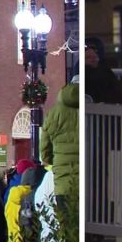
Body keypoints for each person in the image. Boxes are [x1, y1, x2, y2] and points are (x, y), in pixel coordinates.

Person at [40, 74, 79, 205]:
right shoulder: (92, 108)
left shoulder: (53, 113)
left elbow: (45, 149)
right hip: (88, 179)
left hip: (63, 182)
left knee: (65, 216)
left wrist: (51, 160)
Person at [84, 37, 122, 103]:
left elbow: (120, 94)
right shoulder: (83, 75)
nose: (93, 59)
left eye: (94, 57)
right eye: (88, 57)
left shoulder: (106, 71)